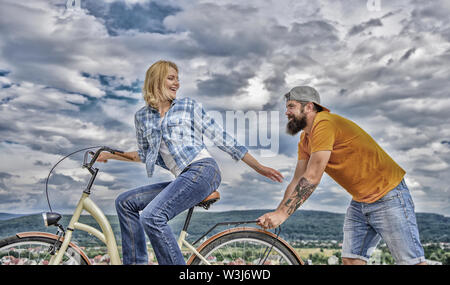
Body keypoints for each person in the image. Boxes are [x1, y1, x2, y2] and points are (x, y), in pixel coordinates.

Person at [98, 60, 283, 265]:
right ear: (156, 80)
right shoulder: (142, 117)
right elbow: (145, 154)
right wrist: (111, 155)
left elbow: (221, 137)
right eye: (171, 78)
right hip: (184, 178)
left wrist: (259, 167)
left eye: (178, 79)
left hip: (203, 170)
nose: (177, 83)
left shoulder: (188, 106)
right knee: (125, 202)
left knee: (152, 217)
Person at [257, 86, 426, 265]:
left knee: (411, 262)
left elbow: (312, 177)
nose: (286, 112)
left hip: (389, 195)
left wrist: (283, 214)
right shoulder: (305, 140)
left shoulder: (324, 123)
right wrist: (278, 212)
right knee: (352, 261)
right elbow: (298, 180)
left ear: (309, 107)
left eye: (291, 106)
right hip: (361, 201)